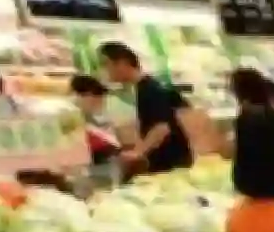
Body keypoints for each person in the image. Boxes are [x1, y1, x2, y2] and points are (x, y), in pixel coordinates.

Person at [97, 42, 193, 175]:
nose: (105, 70)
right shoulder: (144, 88)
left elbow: (161, 128)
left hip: (170, 165)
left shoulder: (151, 90)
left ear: (122, 63)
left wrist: (137, 152)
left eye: (106, 64)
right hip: (167, 163)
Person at [68, 74, 125, 164]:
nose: (100, 99)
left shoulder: (110, 110)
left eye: (101, 95)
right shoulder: (71, 115)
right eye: (96, 95)